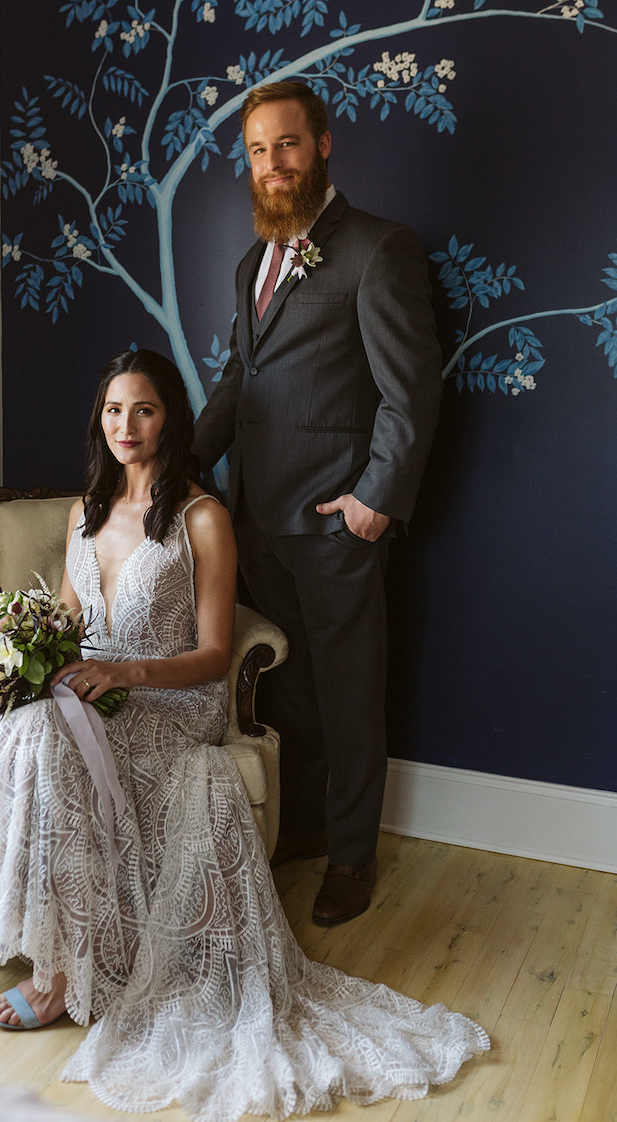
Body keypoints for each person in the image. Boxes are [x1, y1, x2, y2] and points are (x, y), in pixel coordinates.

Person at [0, 351, 486, 1120]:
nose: (126, 427)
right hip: (87, 697)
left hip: (166, 705)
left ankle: (66, 977)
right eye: (113, 411)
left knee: (44, 742)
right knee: (12, 739)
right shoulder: (84, 512)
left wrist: (123, 675)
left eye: (145, 411)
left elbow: (212, 655)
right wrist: (11, 652)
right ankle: (59, 949)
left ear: (171, 421)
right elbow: (66, 618)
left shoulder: (202, 517)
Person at [192, 81, 444, 926]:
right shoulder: (248, 263)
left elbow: (412, 394)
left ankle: (350, 856)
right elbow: (240, 380)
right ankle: (298, 828)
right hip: (253, 521)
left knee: (347, 695)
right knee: (284, 695)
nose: (273, 165)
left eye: (288, 145)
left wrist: (375, 499)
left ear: (324, 145)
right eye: (259, 151)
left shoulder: (379, 250)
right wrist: (181, 473)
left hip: (336, 526)